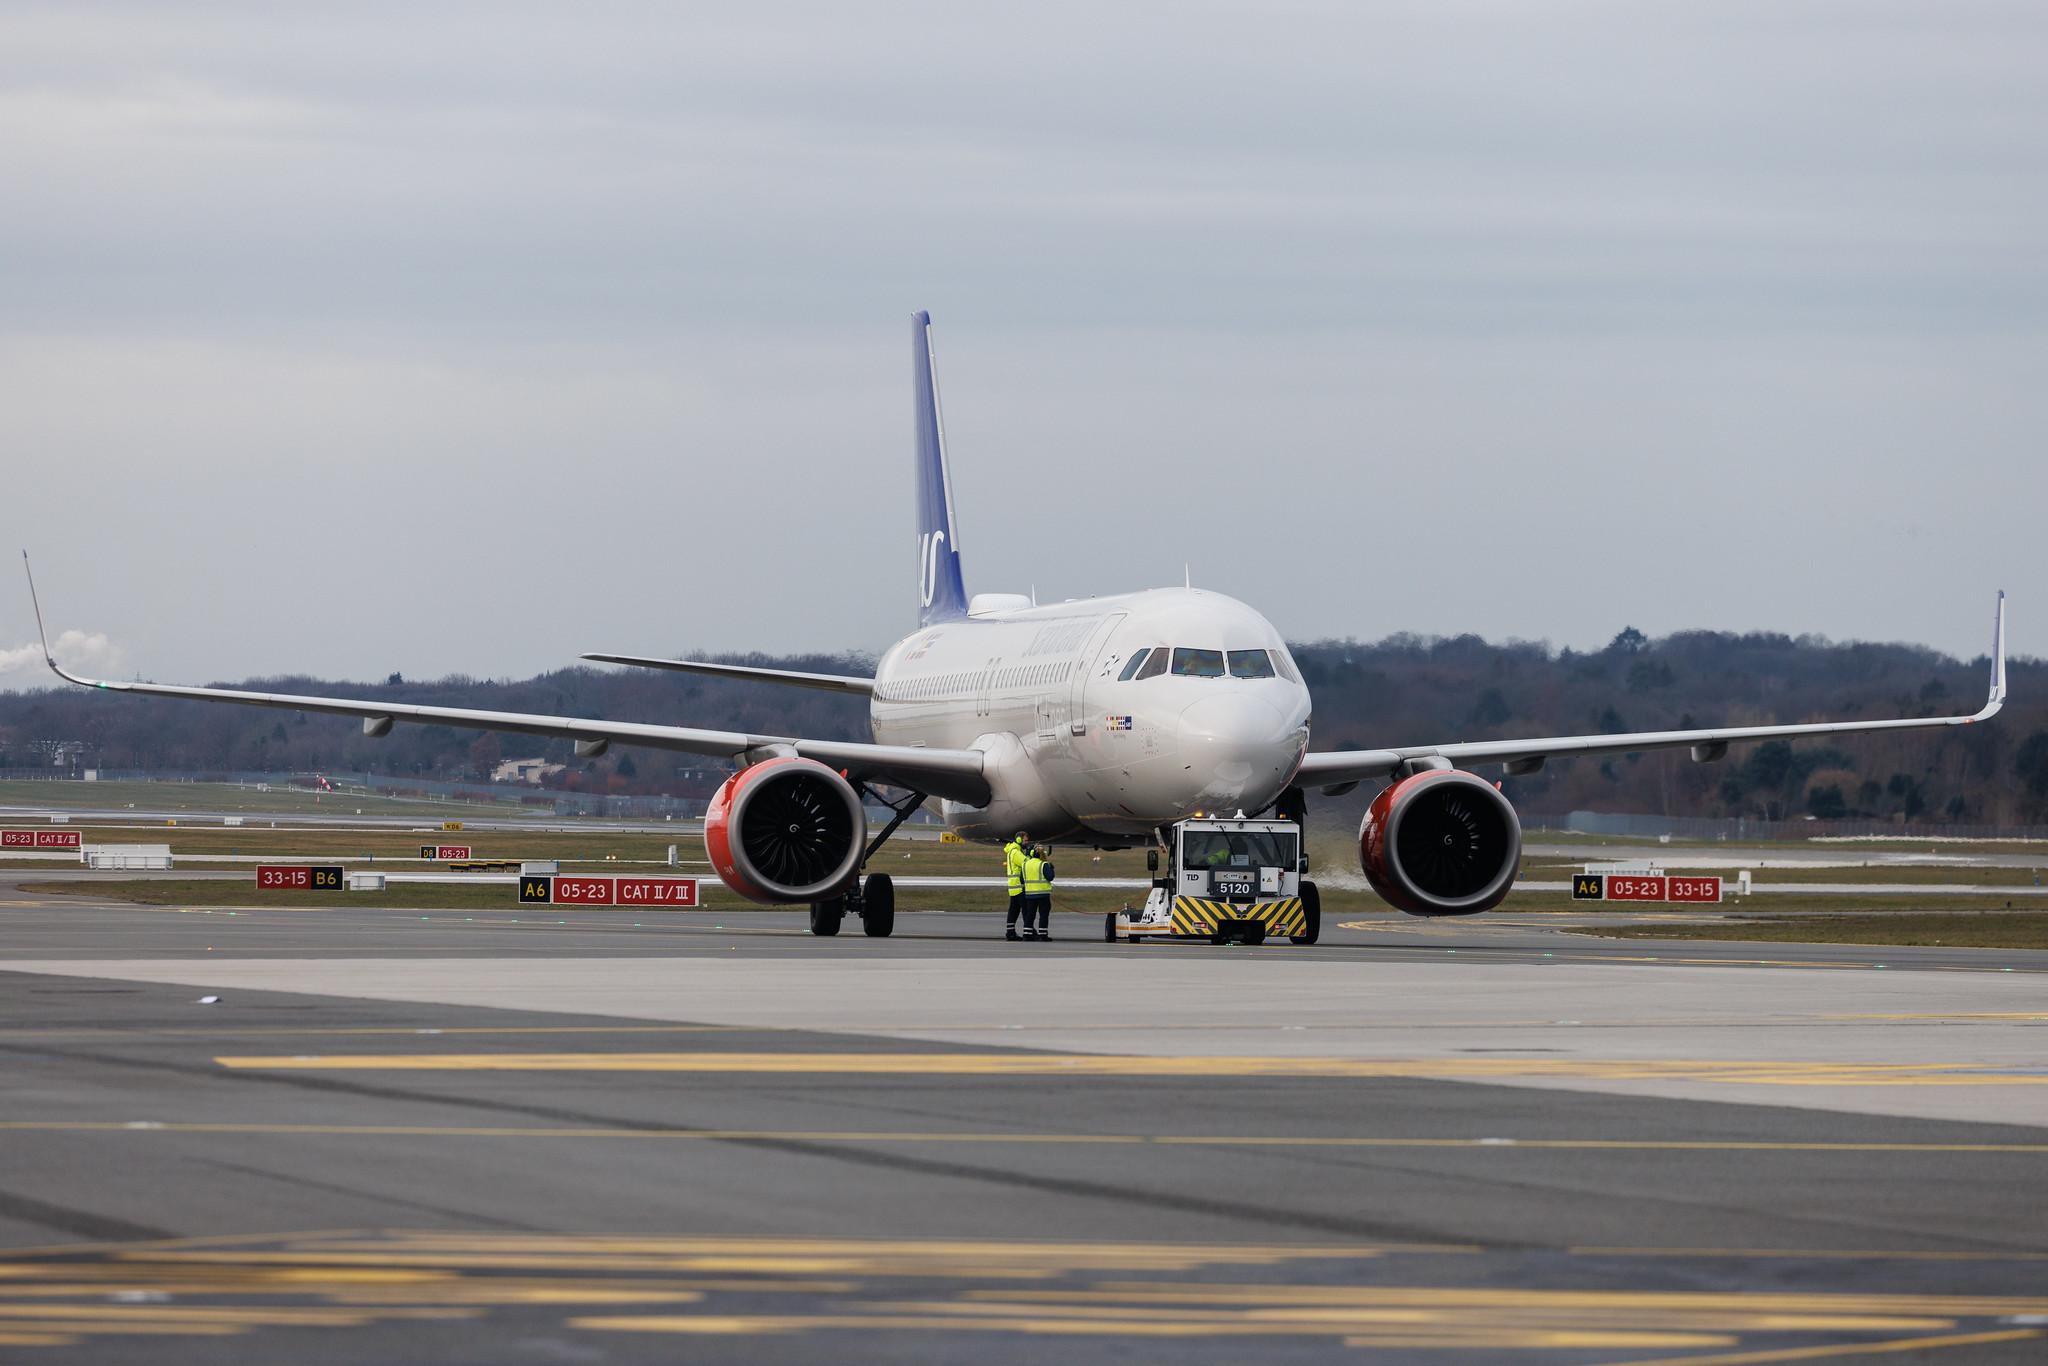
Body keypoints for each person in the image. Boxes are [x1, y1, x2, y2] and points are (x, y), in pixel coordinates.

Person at [1022, 843, 1053, 939]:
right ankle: (1043, 934)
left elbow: (1021, 879)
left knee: (1030, 914)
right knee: (1043, 914)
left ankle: (1027, 934)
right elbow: (1050, 877)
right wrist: (1051, 868)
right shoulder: (1043, 864)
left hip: (1030, 895)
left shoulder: (1025, 864)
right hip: (1042, 894)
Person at [1003, 829, 1029, 941]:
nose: (1027, 843)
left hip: (1014, 886)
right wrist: (1031, 854)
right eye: (1026, 840)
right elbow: (1027, 863)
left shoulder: (1013, 850)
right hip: (1019, 886)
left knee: (1014, 909)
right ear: (1019, 839)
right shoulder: (1016, 852)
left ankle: (1010, 932)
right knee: (1026, 910)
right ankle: (1029, 931)